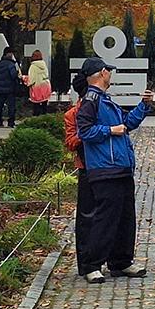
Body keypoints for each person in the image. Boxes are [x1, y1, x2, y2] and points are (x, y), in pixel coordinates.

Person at [76, 56, 154, 284]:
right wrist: (110, 130)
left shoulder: (105, 99)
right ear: (102, 73)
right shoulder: (91, 99)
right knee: (105, 218)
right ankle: (92, 265)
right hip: (104, 168)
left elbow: (127, 124)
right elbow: (85, 131)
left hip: (120, 167)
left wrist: (144, 105)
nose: (111, 74)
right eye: (109, 70)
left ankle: (121, 262)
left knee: (124, 217)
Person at [64, 71, 94, 277]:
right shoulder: (72, 114)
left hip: (106, 168)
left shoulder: (102, 108)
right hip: (85, 168)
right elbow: (71, 142)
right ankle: (86, 263)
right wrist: (88, 133)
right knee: (86, 216)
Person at [0, 46, 23, 128]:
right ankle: (11, 122)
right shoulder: (11, 64)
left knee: (0, 105)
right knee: (11, 106)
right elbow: (13, 75)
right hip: (10, 89)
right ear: (9, 54)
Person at [26, 50, 51, 116]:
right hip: (46, 87)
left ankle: (36, 121)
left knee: (36, 106)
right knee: (44, 106)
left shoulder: (33, 66)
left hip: (37, 88)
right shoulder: (44, 65)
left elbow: (31, 79)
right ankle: (45, 119)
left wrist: (24, 79)